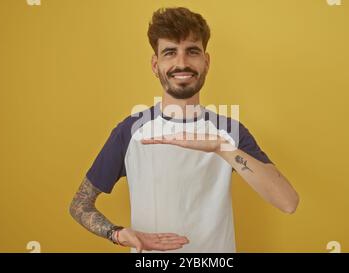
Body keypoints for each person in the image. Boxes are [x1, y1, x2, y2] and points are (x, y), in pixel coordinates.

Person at [69, 7, 299, 253]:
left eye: (192, 51)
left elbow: (287, 202)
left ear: (206, 62)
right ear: (155, 65)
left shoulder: (229, 131)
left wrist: (222, 148)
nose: (181, 63)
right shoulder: (131, 130)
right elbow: (80, 205)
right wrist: (117, 234)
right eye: (170, 52)